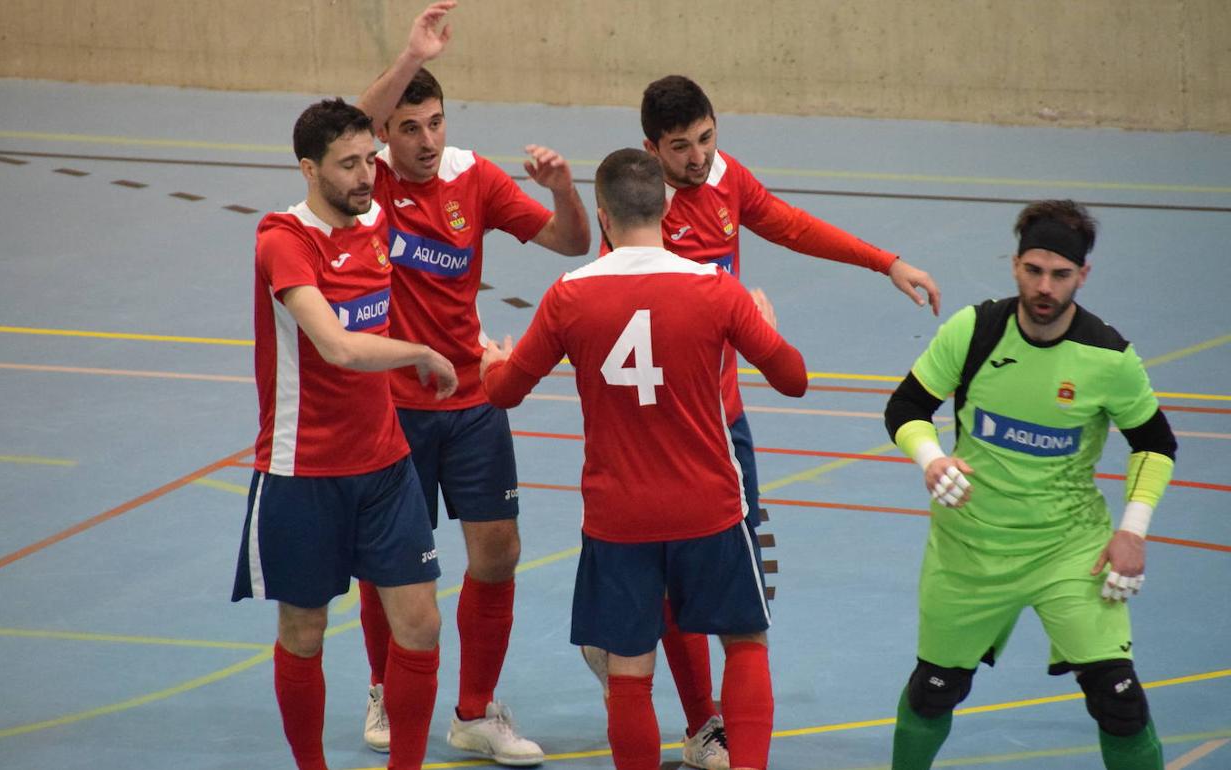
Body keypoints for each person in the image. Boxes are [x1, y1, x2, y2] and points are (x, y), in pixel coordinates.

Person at [583, 73, 946, 770]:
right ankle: (691, 711)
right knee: (687, 588)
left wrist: (885, 262)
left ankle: (698, 723)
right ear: (650, 148)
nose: (697, 158)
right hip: (663, 428)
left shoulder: (725, 180)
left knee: (708, 591)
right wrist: (751, 325)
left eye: (707, 139)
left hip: (725, 420)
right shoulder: (633, 227)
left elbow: (787, 223)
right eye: (681, 147)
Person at [481, 147, 809, 770]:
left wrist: (491, 362)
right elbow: (792, 378)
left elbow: (504, 394)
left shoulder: (567, 296)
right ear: (665, 206)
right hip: (708, 509)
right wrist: (770, 326)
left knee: (629, 670)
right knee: (744, 642)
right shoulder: (716, 289)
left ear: (601, 216)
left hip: (617, 518)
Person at [349, 2, 591, 763]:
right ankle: (386, 691)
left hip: (474, 400)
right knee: (393, 567)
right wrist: (411, 56)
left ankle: (475, 712)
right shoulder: (368, 184)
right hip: (393, 403)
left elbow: (571, 242)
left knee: (499, 552)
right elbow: (343, 122)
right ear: (386, 135)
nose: (426, 141)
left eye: (436, 124)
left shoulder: (473, 179)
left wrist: (560, 187)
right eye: (410, 127)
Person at [883, 199, 1176, 770]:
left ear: (1082, 276)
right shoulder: (974, 331)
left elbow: (1154, 444)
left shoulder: (1109, 358)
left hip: (1068, 550)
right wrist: (931, 459)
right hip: (970, 550)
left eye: (1060, 275)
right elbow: (907, 407)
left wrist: (1132, 531)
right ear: (1015, 264)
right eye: (1033, 270)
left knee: (1120, 704)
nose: (1045, 287)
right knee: (933, 691)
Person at [230, 97, 459, 770]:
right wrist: (419, 352)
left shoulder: (375, 223)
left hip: (385, 466)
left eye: (370, 160)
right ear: (309, 169)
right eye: (349, 164)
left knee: (419, 626)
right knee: (305, 631)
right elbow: (337, 347)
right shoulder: (283, 242)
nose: (366, 176)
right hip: (303, 473)